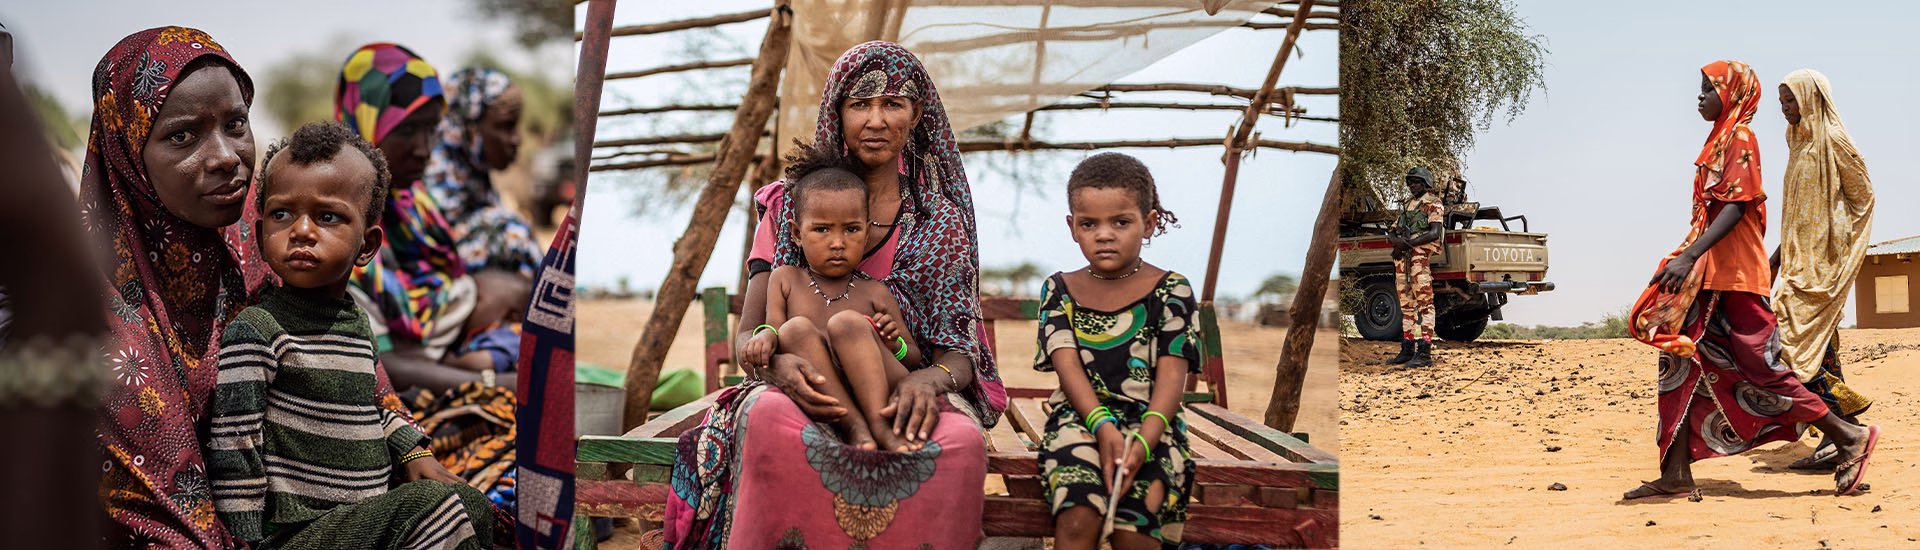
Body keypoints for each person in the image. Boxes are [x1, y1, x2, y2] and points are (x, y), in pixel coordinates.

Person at [83, 27, 413, 548]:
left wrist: (412, 451)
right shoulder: (95, 320)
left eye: (236, 124)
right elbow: (155, 515)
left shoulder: (260, 242)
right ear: (128, 155)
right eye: (183, 136)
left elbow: (349, 354)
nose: (226, 156)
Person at [665, 41, 998, 548]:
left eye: (893, 103)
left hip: (898, 386)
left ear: (917, 113)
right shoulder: (788, 207)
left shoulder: (939, 222)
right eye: (860, 103)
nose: (876, 120)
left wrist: (926, 383)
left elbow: (958, 357)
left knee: (959, 442)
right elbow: (753, 332)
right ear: (836, 112)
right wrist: (776, 366)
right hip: (805, 381)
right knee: (770, 420)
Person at [205, 122, 491, 549]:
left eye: (327, 217)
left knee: (471, 504)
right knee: (438, 508)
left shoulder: (355, 324)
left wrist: (413, 451)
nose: (301, 230)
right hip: (302, 533)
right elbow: (235, 441)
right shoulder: (258, 331)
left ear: (367, 245)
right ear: (262, 232)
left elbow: (369, 408)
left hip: (363, 519)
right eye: (282, 214)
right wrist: (244, 541)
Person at [1624, 60, 1879, 500]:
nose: (1699, 96)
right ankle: (1677, 472)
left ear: (1734, 92)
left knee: (1763, 365)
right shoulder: (1722, 140)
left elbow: (1736, 207)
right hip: (1711, 274)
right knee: (1679, 363)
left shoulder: (1741, 137)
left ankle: (1847, 436)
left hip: (1736, 275)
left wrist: (1689, 255)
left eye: (1708, 88)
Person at [334, 42, 522, 511]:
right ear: (366, 123)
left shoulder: (419, 211)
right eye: (408, 130)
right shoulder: (335, 220)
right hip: (389, 410)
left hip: (444, 373)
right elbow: (376, 360)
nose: (424, 149)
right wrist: (494, 382)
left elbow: (450, 304)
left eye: (432, 131)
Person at [1037, 152, 1199, 549]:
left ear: (1149, 223)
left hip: (1153, 427)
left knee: (1136, 532)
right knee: (1078, 518)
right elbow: (1068, 368)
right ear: (1073, 227)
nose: (1104, 234)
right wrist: (1103, 427)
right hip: (1079, 420)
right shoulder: (1059, 290)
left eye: (1121, 222)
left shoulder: (1172, 291)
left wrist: (1143, 442)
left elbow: (1171, 381)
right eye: (1089, 224)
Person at [739, 143, 924, 452]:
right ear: (797, 234)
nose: (837, 243)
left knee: (847, 324)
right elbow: (773, 326)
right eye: (822, 230)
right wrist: (765, 341)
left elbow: (914, 358)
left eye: (851, 230)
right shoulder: (784, 278)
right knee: (793, 329)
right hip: (822, 382)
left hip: (876, 381)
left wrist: (895, 344)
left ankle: (879, 426)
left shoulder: (876, 292)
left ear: (866, 234)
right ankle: (853, 425)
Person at [1770, 69, 1876, 470]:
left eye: (1791, 100)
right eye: (1782, 102)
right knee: (1818, 350)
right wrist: (1778, 258)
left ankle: (1845, 431)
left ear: (1812, 99)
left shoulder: (1834, 140)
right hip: (1797, 265)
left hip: (1821, 269)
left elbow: (1864, 198)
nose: (1785, 109)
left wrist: (1839, 250)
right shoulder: (1795, 140)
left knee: (1790, 346)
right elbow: (1796, 211)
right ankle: (1840, 433)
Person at [423, 67, 542, 278]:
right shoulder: (428, 177)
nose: (517, 139)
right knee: (512, 235)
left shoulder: (474, 179)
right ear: (470, 128)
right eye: (506, 126)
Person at [1385, 167, 1443, 368]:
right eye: (1410, 181)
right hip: (1403, 260)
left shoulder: (1433, 203)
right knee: (1406, 306)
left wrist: (1406, 244)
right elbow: (1391, 232)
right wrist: (1398, 242)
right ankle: (1407, 348)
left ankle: (1425, 351)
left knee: (1425, 303)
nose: (1412, 185)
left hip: (1419, 260)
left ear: (1425, 183)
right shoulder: (1406, 205)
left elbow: (1435, 232)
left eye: (1416, 181)